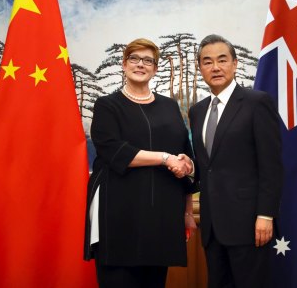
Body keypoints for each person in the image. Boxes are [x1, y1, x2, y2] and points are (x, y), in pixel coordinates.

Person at [84, 38, 197, 288]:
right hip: (119, 214)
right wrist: (164, 158)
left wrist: (188, 211)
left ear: (155, 69)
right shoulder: (107, 105)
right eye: (134, 59)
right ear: (124, 65)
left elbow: (184, 154)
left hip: (162, 216)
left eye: (148, 60)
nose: (140, 64)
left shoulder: (169, 106)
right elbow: (115, 151)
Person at [188, 34, 283, 288]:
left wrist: (266, 214)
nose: (215, 67)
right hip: (211, 227)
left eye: (222, 60)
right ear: (200, 69)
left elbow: (271, 166)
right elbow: (206, 165)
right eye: (207, 62)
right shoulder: (197, 111)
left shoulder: (256, 103)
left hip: (249, 224)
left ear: (235, 63)